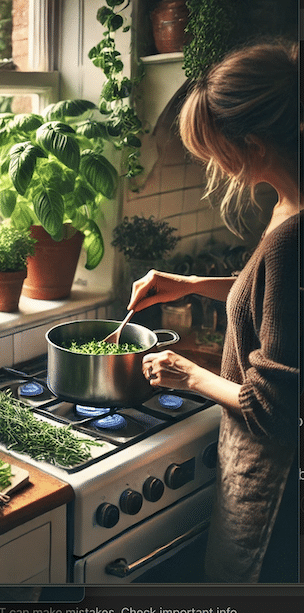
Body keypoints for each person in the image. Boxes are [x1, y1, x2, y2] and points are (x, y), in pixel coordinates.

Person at [127, 39, 301, 583]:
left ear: (252, 144)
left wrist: (188, 374)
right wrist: (194, 284)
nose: (213, 163)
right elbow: (280, 300)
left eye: (214, 148)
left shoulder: (290, 237)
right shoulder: (288, 204)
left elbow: (273, 406)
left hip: (273, 474)